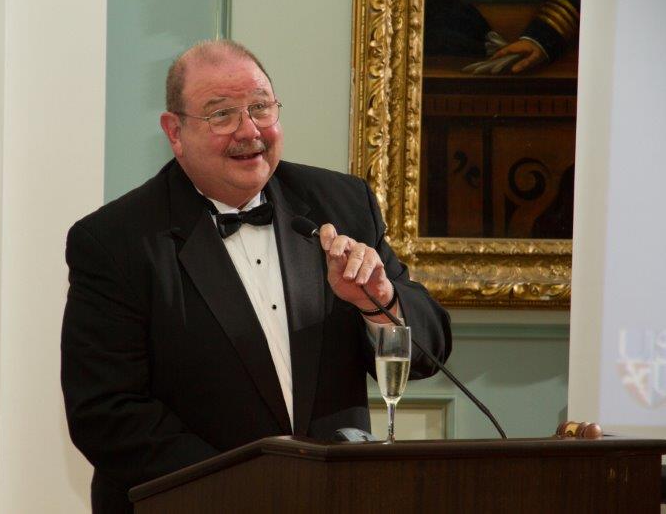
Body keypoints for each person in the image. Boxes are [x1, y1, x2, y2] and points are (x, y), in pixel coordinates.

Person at [61, 40, 452, 513]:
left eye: (261, 108)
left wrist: (380, 303)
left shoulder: (341, 202)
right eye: (221, 114)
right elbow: (105, 413)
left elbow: (431, 351)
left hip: (333, 500)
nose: (249, 131)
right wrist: (246, 490)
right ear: (175, 132)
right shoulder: (115, 241)